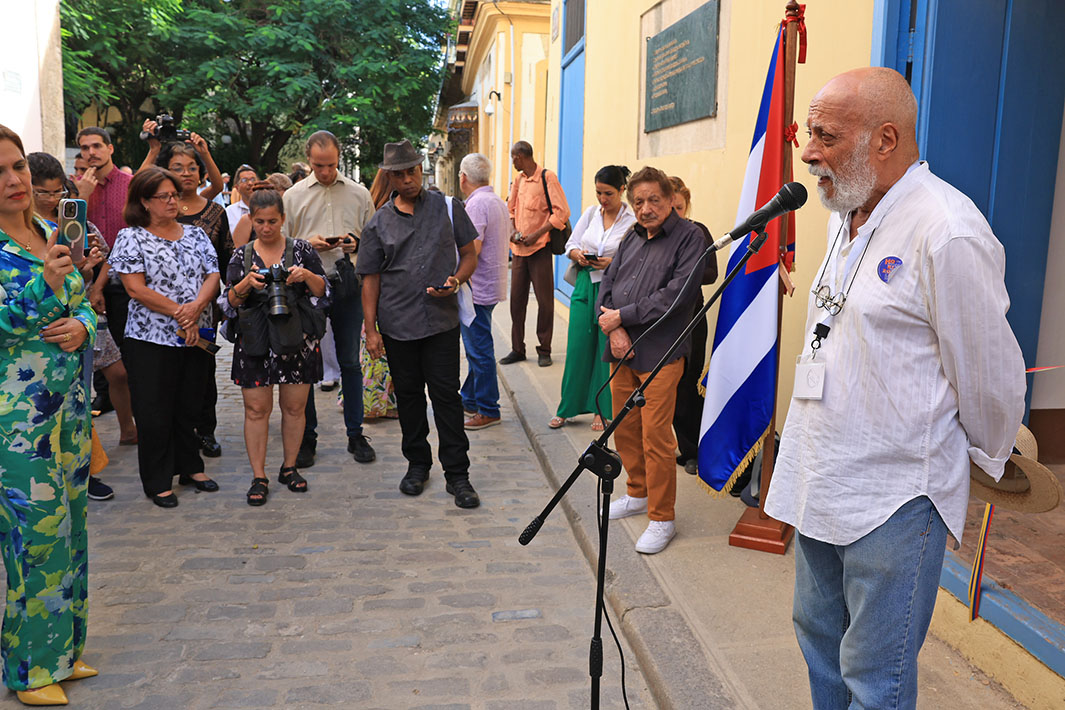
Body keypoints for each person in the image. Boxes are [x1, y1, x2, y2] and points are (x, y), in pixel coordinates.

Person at [764, 67, 1026, 710]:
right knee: (819, 641)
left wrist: (987, 460)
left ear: (885, 138)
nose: (807, 151)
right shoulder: (844, 209)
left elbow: (988, 378)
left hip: (897, 493)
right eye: (808, 132)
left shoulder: (948, 230)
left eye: (825, 134)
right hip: (820, 475)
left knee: (874, 677)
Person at [0, 124, 100, 705]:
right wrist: (45, 287)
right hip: (16, 424)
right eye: (1, 173)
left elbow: (83, 302)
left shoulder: (48, 230)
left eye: (18, 167)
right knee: (33, 540)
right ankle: (31, 669)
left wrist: (80, 325)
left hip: (69, 411)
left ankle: (63, 651)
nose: (15, 181)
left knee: (71, 533)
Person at [357, 139, 481, 509]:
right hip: (398, 325)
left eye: (413, 170)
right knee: (409, 399)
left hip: (441, 324)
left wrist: (456, 281)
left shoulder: (447, 207)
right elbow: (370, 278)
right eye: (400, 173)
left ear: (420, 170)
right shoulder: (379, 223)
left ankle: (458, 475)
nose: (409, 178)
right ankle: (417, 464)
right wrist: (372, 329)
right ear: (390, 178)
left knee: (446, 397)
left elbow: (469, 254)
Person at [600, 167, 705, 555]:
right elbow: (608, 283)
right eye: (638, 202)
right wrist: (612, 328)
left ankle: (662, 518)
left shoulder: (690, 238)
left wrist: (623, 317)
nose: (646, 209)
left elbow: (675, 295)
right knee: (624, 427)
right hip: (621, 349)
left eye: (653, 200)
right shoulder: (631, 237)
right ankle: (637, 492)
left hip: (661, 351)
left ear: (668, 198)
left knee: (655, 437)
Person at [109, 167, 221, 508]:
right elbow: (134, 287)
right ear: (144, 202)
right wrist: (179, 312)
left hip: (195, 334)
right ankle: (158, 479)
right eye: (164, 196)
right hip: (151, 338)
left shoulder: (195, 234)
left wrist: (197, 307)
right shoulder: (131, 237)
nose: (173, 201)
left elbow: (213, 273)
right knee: (155, 409)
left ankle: (191, 467)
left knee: (190, 402)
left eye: (174, 195)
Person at [28, 152, 135, 502]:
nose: (52, 199)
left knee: (80, 405)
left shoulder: (64, 229)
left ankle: (87, 472)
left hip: (70, 355)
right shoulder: (14, 243)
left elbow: (78, 291)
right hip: (24, 377)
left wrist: (83, 318)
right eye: (44, 193)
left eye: (58, 192)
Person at [220, 189, 329, 506]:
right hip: (255, 339)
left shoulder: (302, 250)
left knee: (295, 408)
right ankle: (259, 475)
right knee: (256, 410)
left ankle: (289, 467)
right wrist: (246, 285)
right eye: (260, 222)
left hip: (297, 338)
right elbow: (228, 302)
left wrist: (305, 274)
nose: (266, 228)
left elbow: (323, 292)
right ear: (251, 220)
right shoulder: (242, 256)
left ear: (283, 219)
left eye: (272, 221)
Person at [283, 130, 375, 467]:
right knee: (306, 364)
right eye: (319, 165)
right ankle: (307, 436)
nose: (325, 172)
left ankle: (355, 431)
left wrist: (356, 244)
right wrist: (309, 244)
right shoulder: (291, 197)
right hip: (307, 287)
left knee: (350, 360)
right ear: (308, 160)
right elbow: (282, 246)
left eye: (331, 165)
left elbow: (374, 240)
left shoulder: (359, 194)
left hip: (348, 283)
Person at [148, 136, 232, 459]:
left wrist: (226, 303)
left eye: (192, 168)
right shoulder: (156, 212)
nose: (186, 174)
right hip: (159, 308)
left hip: (203, 308)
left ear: (201, 173)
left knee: (202, 372)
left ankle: (205, 430)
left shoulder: (214, 212)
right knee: (167, 374)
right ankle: (172, 434)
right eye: (177, 168)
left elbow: (225, 261)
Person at [550, 165, 636, 431]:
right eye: (598, 192)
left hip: (611, 290)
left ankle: (602, 410)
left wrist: (610, 263)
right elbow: (571, 244)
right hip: (585, 285)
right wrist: (578, 255)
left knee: (604, 350)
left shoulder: (631, 221)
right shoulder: (590, 213)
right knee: (577, 347)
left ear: (622, 190)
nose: (602, 199)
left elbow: (633, 259)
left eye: (608, 193)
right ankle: (567, 407)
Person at [500, 140, 570, 367]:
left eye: (513, 157)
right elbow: (510, 209)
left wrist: (538, 234)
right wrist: (512, 231)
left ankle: (544, 349)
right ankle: (517, 348)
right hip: (519, 250)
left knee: (545, 302)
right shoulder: (519, 180)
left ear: (521, 157)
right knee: (516, 302)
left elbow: (561, 212)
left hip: (540, 248)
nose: (512, 161)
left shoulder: (547, 177)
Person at [669, 176, 718, 474]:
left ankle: (695, 451)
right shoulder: (656, 235)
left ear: (687, 205)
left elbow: (711, 273)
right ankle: (682, 444)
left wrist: (679, 275)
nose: (675, 213)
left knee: (689, 383)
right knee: (667, 384)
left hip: (691, 318)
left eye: (680, 207)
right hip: (661, 321)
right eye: (670, 207)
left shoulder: (698, 232)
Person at [457, 153, 509, 430]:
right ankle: (469, 397)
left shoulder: (477, 204)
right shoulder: (495, 201)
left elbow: (471, 249)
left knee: (479, 350)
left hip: (476, 287)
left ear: (463, 178)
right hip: (490, 283)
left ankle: (489, 408)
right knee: (479, 345)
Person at [76, 127, 134, 351]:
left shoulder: (130, 184)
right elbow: (70, 234)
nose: (91, 152)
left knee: (126, 348)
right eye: (84, 147)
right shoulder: (75, 187)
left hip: (126, 278)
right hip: (87, 275)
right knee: (98, 355)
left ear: (110, 149)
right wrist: (82, 196)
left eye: (96, 146)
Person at [225, 164, 258, 235]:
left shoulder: (267, 208)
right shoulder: (229, 212)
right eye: (244, 180)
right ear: (237, 187)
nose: (250, 183)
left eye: (253, 179)